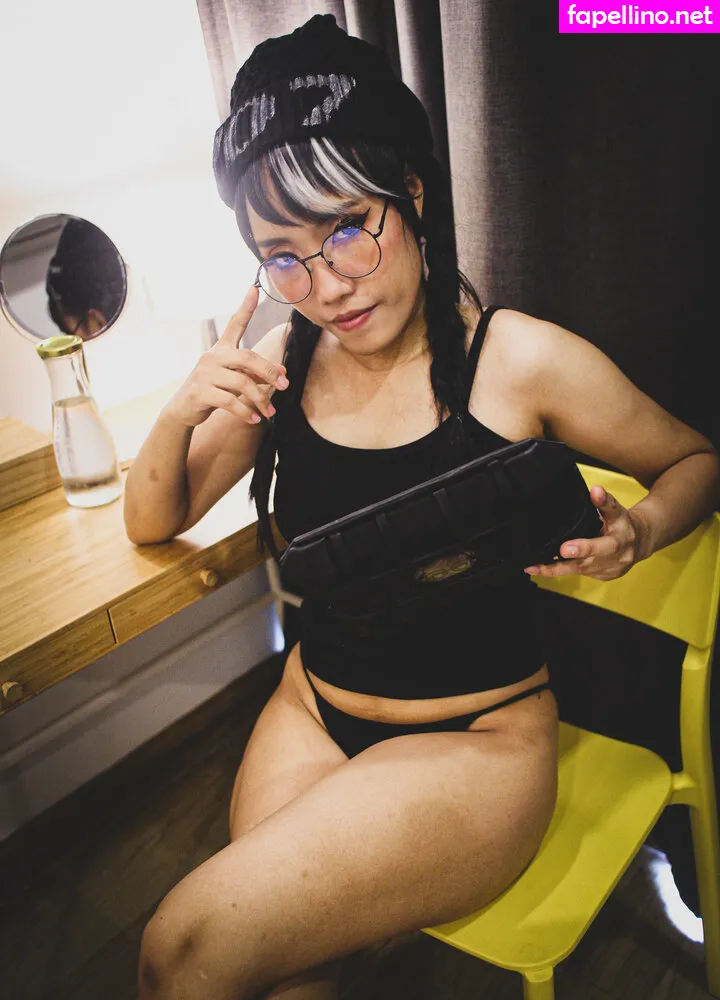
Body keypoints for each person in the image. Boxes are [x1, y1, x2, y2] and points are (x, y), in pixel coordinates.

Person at [124, 14, 720, 1000]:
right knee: (281, 976)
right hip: (311, 711)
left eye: (346, 229)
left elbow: (697, 459)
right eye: (283, 257)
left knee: (181, 949)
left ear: (412, 193)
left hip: (478, 743)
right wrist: (181, 408)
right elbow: (155, 519)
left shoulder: (517, 359)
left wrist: (642, 529)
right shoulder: (283, 360)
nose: (326, 287)